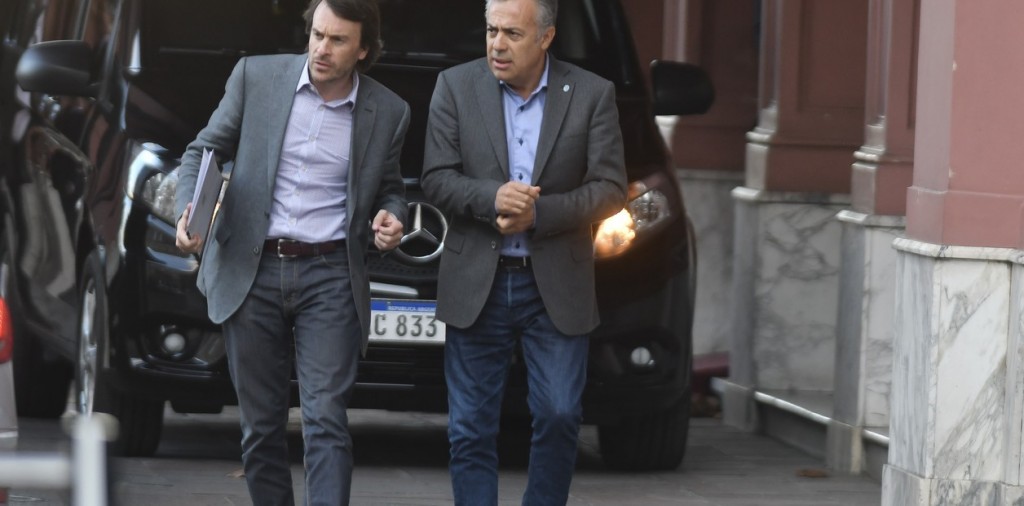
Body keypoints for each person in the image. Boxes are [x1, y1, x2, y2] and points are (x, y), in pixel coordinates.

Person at [173, 0, 410, 504]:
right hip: (252, 268)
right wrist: (189, 211)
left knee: (326, 420)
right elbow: (203, 150)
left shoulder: (388, 111)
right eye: (317, 34)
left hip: (331, 273)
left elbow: (389, 188)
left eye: (338, 40)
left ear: (363, 50)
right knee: (261, 428)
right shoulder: (255, 78)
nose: (322, 49)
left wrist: (393, 216)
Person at [421, 0, 628, 503]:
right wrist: (491, 197)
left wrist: (541, 214)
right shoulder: (455, 86)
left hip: (553, 283)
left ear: (546, 38)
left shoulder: (592, 93)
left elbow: (610, 189)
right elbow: (436, 178)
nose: (497, 44)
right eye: (491, 30)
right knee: (470, 427)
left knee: (559, 414)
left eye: (512, 34)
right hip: (478, 280)